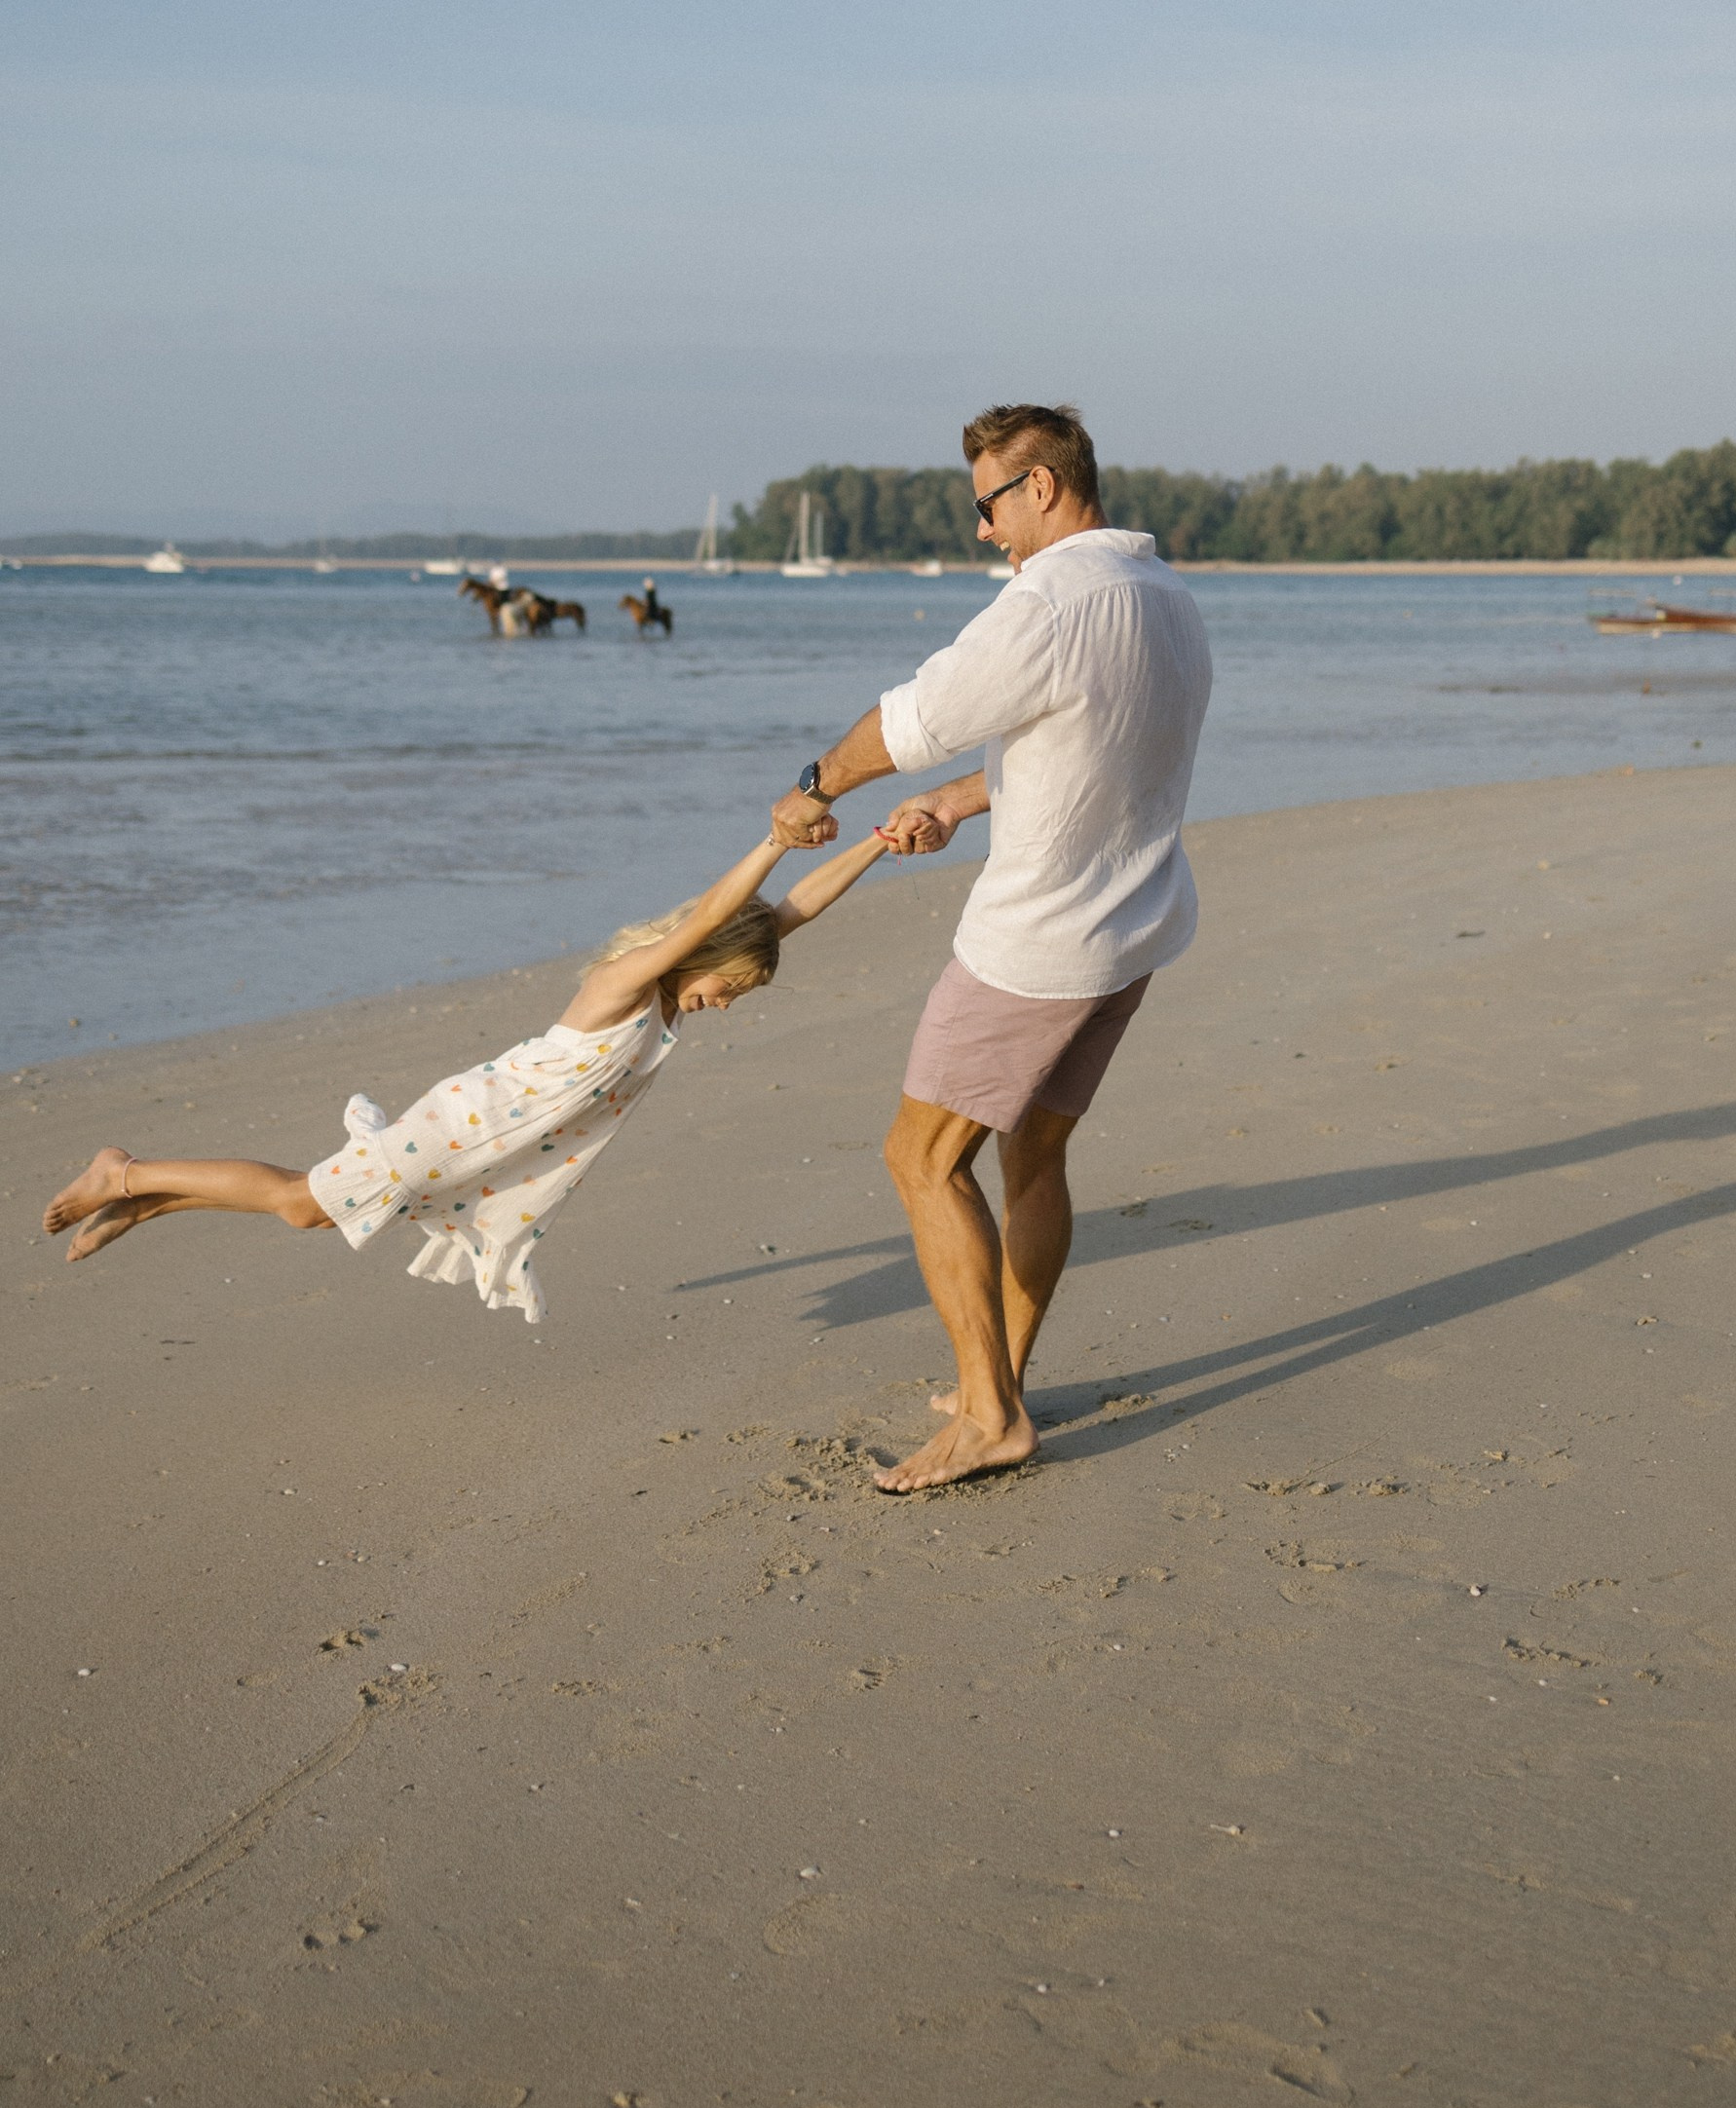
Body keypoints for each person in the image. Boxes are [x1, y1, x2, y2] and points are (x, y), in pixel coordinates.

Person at [771, 401, 1212, 1492]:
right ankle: (997, 1379)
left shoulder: (1047, 603)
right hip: (1131, 928)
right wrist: (968, 804)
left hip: (1035, 948)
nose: (982, 532)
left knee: (919, 1160)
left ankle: (988, 1417)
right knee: (1033, 1159)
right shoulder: (1165, 598)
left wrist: (811, 786)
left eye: (987, 506)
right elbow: (1091, 747)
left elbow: (911, 717)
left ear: (1043, 488)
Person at [44, 826, 889, 1322]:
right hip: (458, 1127)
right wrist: (775, 838)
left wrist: (880, 843)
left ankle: (147, 1200)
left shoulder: (666, 1009)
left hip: (479, 1149)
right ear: (701, 955)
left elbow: (789, 912)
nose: (726, 1005)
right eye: (728, 987)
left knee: (307, 1211)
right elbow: (721, 912)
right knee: (305, 1202)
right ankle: (127, 1171)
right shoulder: (624, 985)